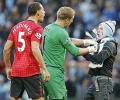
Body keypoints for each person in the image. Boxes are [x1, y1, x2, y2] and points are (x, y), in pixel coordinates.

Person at [42, 7, 98, 100]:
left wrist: (86, 42)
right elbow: (75, 52)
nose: (71, 22)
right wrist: (92, 48)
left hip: (44, 71)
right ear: (67, 19)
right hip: (54, 73)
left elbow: (68, 40)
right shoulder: (62, 32)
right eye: (71, 19)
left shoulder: (48, 28)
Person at [3, 2, 50, 100]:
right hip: (31, 71)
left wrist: (8, 67)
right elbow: (35, 48)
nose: (44, 13)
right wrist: (44, 69)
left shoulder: (15, 27)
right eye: (43, 10)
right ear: (37, 12)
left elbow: (6, 49)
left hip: (16, 71)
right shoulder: (37, 28)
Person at [84, 20, 118, 100]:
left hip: (103, 82)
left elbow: (98, 59)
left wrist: (82, 52)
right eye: (98, 28)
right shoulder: (100, 43)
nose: (98, 30)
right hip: (96, 81)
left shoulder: (110, 44)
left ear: (108, 31)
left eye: (101, 29)